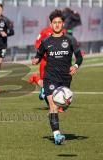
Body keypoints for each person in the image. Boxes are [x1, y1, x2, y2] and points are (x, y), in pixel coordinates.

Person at [32, 9, 83, 145]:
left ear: (63, 24)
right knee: (53, 106)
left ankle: (40, 87)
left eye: (59, 22)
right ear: (51, 24)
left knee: (62, 105)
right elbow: (38, 55)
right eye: (54, 22)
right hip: (50, 77)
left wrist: (76, 66)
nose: (57, 25)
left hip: (65, 78)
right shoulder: (46, 41)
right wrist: (35, 60)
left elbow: (79, 57)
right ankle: (57, 135)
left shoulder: (70, 40)